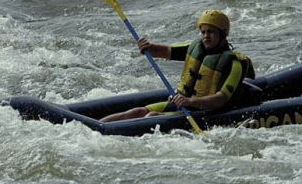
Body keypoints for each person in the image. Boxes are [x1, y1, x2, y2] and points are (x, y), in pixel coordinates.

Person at [100, 10, 255, 122]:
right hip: (183, 105)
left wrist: (190, 102)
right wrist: (146, 47)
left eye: (211, 32)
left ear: (223, 34)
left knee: (151, 117)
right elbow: (166, 51)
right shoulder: (196, 48)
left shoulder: (234, 63)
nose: (206, 36)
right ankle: (95, 128)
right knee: (138, 111)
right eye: (203, 32)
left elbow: (220, 99)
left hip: (206, 112)